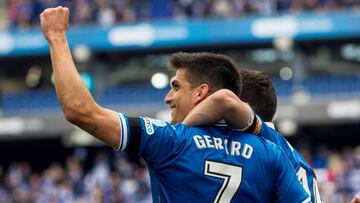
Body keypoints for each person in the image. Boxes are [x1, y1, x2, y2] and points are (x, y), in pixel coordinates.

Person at [40, 6, 309, 203]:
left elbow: (80, 110)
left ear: (202, 93)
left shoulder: (171, 141)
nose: (167, 98)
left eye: (176, 87)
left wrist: (57, 38)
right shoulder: (270, 153)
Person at [183, 69, 322, 203]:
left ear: (241, 107)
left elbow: (224, 101)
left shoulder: (264, 142)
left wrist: (180, 131)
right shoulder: (295, 156)